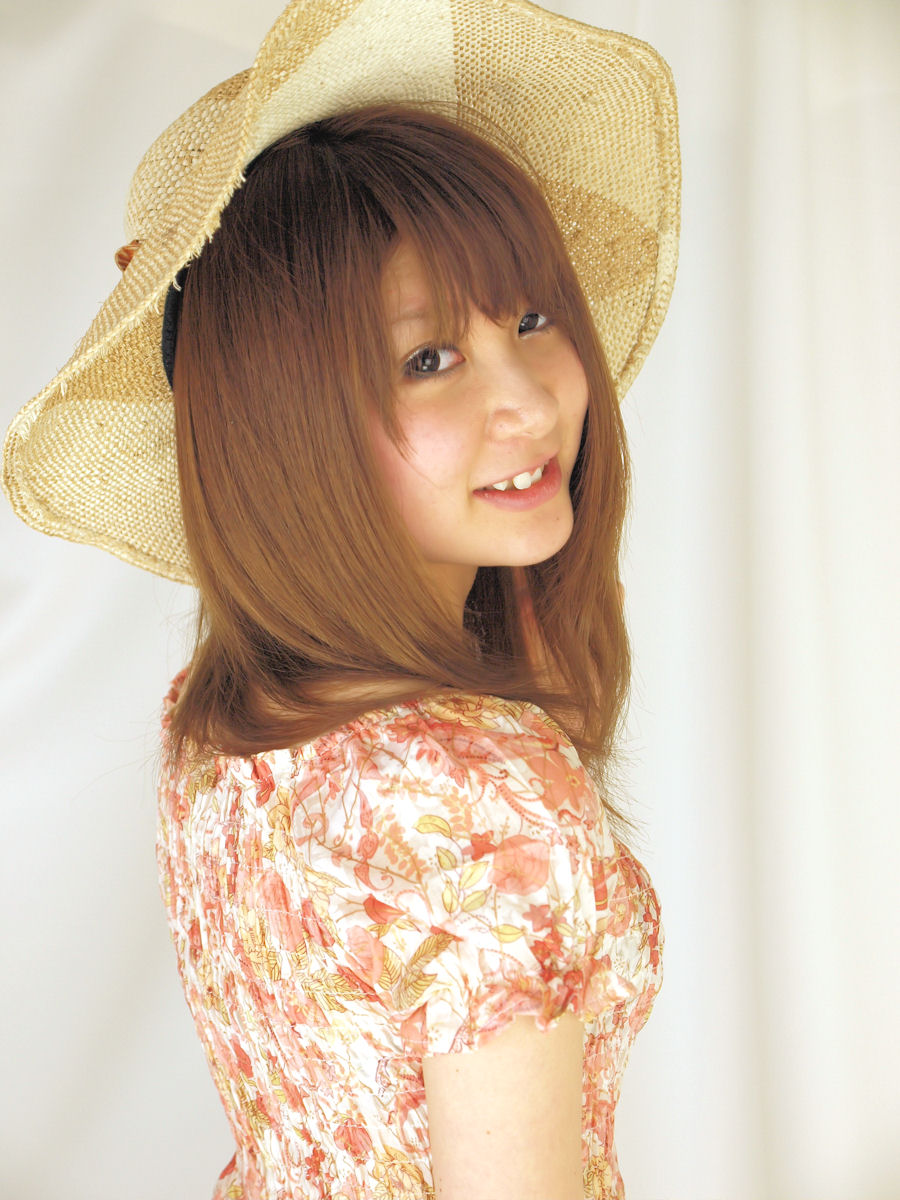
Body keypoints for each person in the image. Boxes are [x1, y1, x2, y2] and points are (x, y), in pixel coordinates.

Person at [2, 2, 680, 1197]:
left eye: (532, 318)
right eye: (428, 359)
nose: (532, 401)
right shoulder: (487, 807)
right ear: (292, 431)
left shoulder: (227, 711)